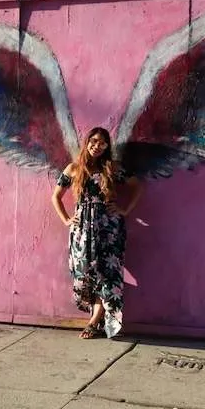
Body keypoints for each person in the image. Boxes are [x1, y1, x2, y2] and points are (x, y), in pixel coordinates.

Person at [51, 127, 142, 339]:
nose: (97, 146)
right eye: (93, 141)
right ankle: (97, 317)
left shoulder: (113, 168)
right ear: (87, 142)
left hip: (108, 229)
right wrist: (66, 219)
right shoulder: (74, 169)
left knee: (107, 273)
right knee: (86, 273)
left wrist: (124, 210)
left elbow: (137, 186)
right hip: (82, 231)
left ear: (107, 146)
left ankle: (94, 321)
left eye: (102, 143)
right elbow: (56, 196)